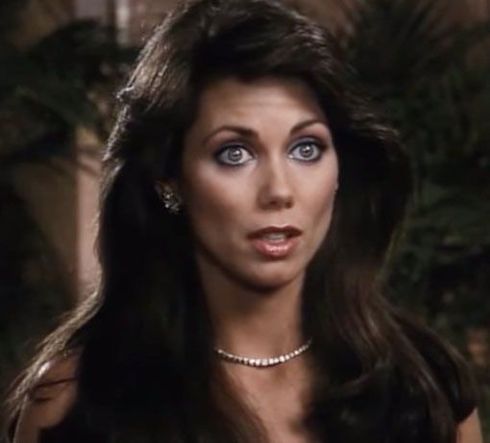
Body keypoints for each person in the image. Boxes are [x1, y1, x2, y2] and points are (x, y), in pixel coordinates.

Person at [4, 0, 483, 442]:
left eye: (306, 149)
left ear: (341, 170)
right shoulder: (78, 405)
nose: (279, 190)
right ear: (169, 179)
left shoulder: (424, 389)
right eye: (234, 153)